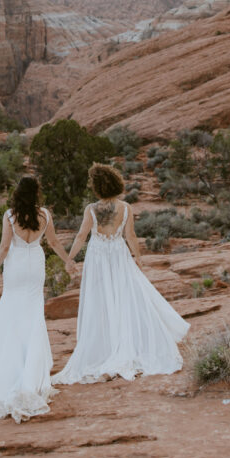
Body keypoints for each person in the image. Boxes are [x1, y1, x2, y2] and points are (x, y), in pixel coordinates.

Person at [54, 162, 189, 385]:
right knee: (124, 298)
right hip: (118, 255)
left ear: (96, 187)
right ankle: (124, 347)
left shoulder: (91, 210)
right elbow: (131, 236)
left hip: (98, 258)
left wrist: (70, 259)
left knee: (101, 302)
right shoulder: (126, 208)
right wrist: (138, 258)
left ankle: (106, 348)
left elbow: (80, 236)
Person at [0, 175, 70, 422]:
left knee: (10, 310)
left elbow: (4, 248)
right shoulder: (44, 215)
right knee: (33, 314)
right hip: (35, 264)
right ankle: (31, 374)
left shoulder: (10, 216)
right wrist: (68, 261)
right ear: (36, 193)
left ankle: (7, 368)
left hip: (15, 267)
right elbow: (54, 242)